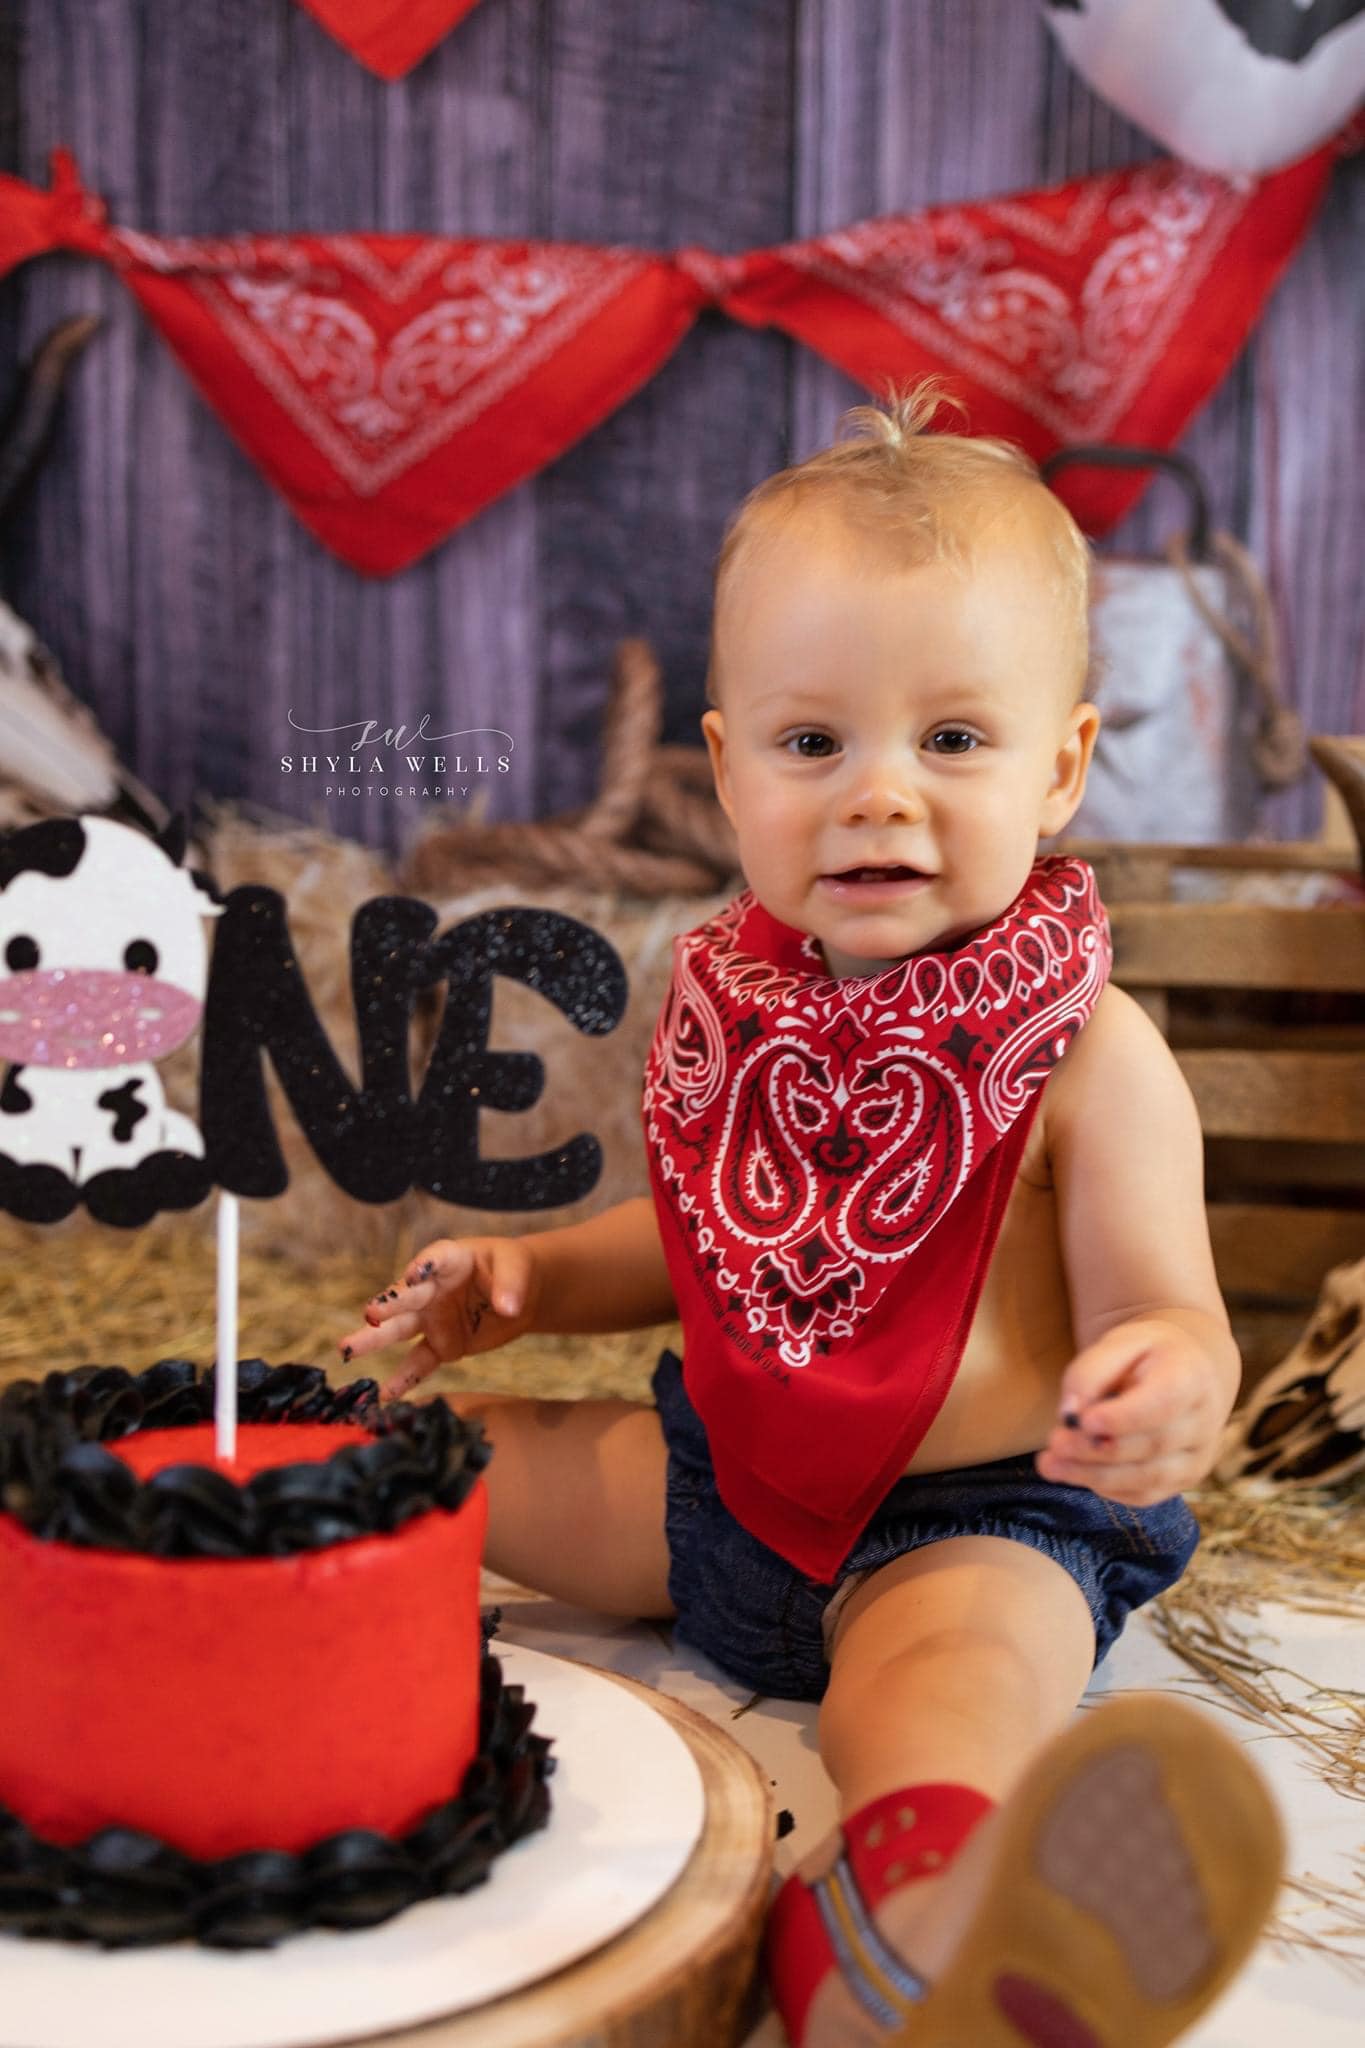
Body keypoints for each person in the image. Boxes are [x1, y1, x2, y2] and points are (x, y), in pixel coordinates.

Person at [340, 388, 1282, 2046]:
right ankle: (209, 1629)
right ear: (723, 771)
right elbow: (710, 1248)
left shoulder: (1087, 1053)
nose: (876, 796)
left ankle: (908, 1954)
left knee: (933, 1703)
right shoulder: (726, 999)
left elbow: (1170, 1306)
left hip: (974, 1527)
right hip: (715, 1486)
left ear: (1062, 768)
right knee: (429, 1459)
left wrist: (1166, 1381)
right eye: (809, 743)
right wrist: (533, 1276)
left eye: (953, 740)